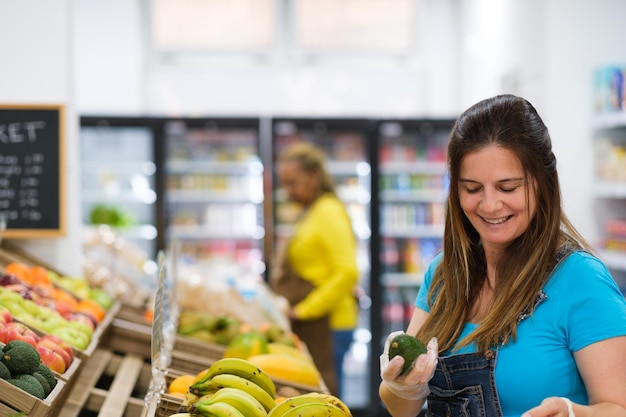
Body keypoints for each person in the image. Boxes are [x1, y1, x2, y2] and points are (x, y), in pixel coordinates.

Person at [379, 94, 626, 417]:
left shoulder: (580, 280)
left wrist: (573, 413)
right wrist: (402, 386)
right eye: (472, 188)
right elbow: (403, 409)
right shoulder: (444, 274)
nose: (490, 205)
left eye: (508, 188)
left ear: (543, 183)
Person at [270, 141, 360, 397]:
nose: (288, 191)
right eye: (284, 183)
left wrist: (304, 310)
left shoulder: (328, 211)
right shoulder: (312, 211)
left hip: (328, 325)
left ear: (314, 176)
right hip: (316, 325)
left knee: (325, 399)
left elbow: (347, 271)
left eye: (293, 183)